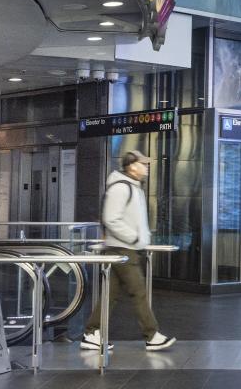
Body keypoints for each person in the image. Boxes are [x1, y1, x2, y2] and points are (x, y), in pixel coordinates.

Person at [81, 150, 175, 351]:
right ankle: (152, 335)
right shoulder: (121, 188)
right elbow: (110, 218)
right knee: (138, 291)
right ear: (132, 166)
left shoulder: (134, 188)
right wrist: (133, 238)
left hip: (124, 248)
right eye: (143, 163)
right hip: (122, 249)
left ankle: (91, 333)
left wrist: (141, 239)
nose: (147, 166)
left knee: (111, 295)